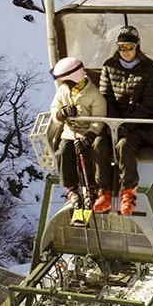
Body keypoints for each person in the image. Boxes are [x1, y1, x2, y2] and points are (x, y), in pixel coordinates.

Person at [98, 26, 153, 214]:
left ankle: (128, 193)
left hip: (140, 125)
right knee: (98, 144)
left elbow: (150, 104)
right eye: (121, 47)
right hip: (114, 123)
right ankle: (103, 192)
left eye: (129, 46)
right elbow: (107, 97)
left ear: (137, 47)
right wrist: (113, 123)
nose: (125, 51)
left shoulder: (150, 69)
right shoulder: (109, 66)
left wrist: (127, 125)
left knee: (124, 146)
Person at [50, 57, 111, 210]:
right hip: (70, 131)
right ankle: (71, 189)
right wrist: (61, 113)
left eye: (65, 80)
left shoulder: (95, 96)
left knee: (85, 152)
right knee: (64, 151)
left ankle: (90, 187)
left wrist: (90, 135)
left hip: (88, 132)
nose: (63, 83)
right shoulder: (63, 91)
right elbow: (54, 109)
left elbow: (99, 120)